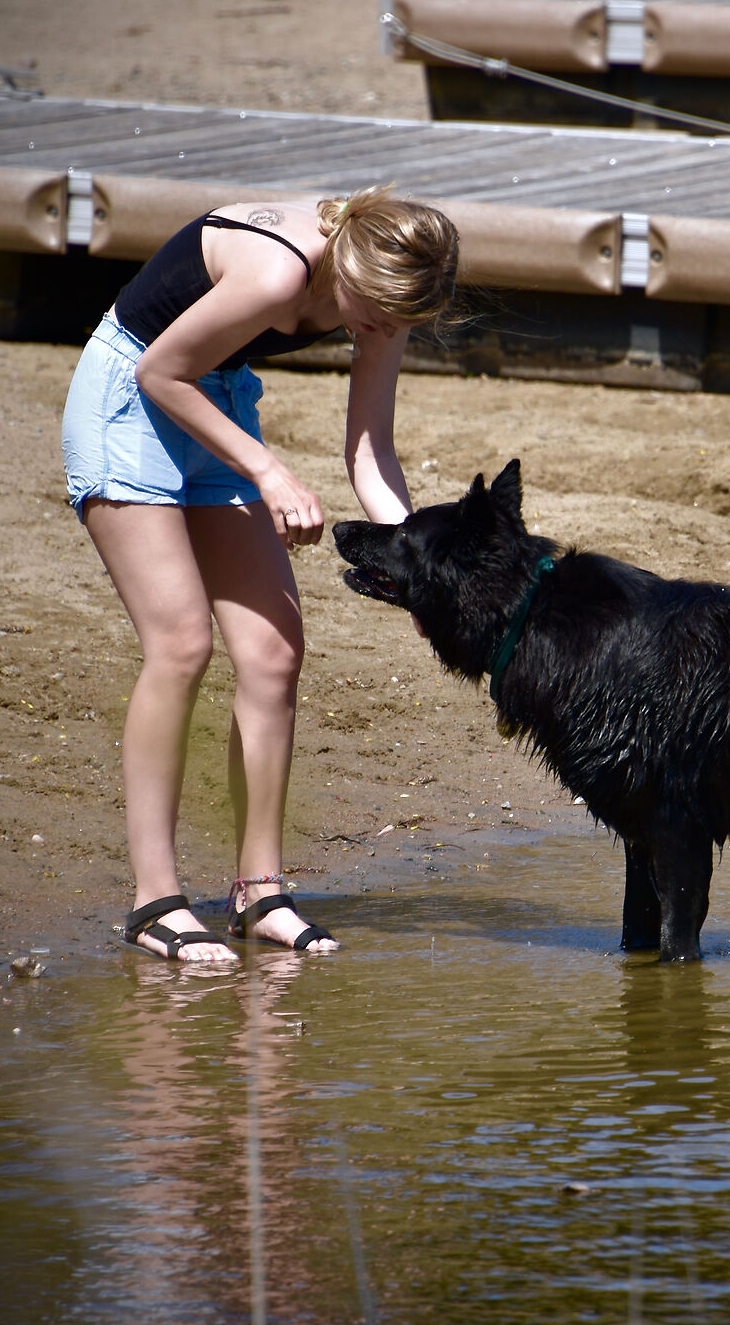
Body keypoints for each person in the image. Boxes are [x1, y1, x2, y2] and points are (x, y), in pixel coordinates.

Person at [61, 186, 459, 962]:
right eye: (373, 316)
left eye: (393, 323)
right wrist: (271, 475)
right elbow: (159, 371)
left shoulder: (385, 290)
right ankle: (155, 902)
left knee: (273, 655)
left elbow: (369, 449)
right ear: (345, 265)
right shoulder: (278, 273)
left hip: (216, 397)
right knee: (179, 645)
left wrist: (415, 569)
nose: (376, 332)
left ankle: (261, 891)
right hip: (131, 396)